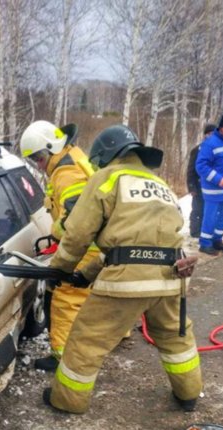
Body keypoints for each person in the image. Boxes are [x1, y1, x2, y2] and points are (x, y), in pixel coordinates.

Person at [44, 124, 203, 414]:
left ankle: (67, 401)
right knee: (176, 338)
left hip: (127, 283)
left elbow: (78, 235)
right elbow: (134, 246)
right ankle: (189, 394)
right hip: (170, 278)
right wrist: (86, 275)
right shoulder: (160, 184)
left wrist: (59, 271)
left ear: (104, 155)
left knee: (86, 340)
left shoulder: (106, 178)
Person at [19, 120, 99, 371]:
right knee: (95, 294)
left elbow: (76, 219)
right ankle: (113, 336)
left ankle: (62, 357)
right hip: (97, 244)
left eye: (39, 159)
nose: (39, 166)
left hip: (86, 246)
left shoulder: (66, 172)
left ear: (50, 149)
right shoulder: (74, 157)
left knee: (65, 296)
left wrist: (55, 233)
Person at [194, 112, 223, 256]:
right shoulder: (210, 144)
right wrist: (218, 179)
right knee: (211, 217)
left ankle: (217, 240)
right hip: (214, 190)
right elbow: (201, 166)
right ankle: (205, 243)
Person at [186, 123, 216, 238]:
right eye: (210, 134)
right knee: (197, 209)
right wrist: (191, 187)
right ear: (205, 135)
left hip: (211, 186)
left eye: (214, 134)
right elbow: (190, 170)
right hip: (198, 185)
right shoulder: (197, 150)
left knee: (208, 209)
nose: (212, 136)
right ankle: (195, 231)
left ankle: (206, 230)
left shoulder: (216, 150)